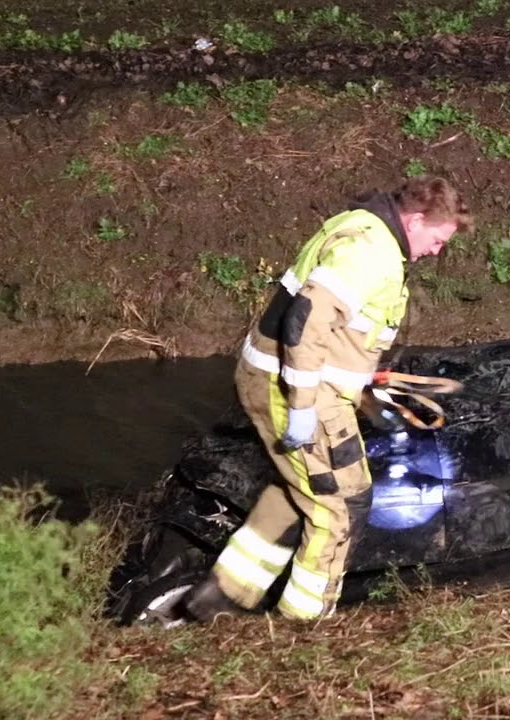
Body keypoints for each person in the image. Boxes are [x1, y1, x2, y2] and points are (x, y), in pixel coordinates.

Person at [184, 176, 471, 621]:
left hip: (285, 379)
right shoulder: (372, 253)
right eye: (438, 239)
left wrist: (361, 380)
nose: (438, 251)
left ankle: (223, 595)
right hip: (298, 391)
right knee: (339, 507)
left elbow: (333, 326)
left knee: (301, 485)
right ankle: (304, 626)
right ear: (415, 220)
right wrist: (301, 406)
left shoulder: (361, 227)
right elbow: (305, 320)